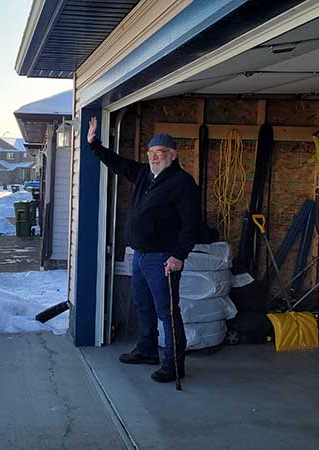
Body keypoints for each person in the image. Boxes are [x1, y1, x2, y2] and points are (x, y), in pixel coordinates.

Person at [86, 116, 200, 383]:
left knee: (167, 311)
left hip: (163, 258)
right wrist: (94, 144)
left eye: (159, 153)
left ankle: (173, 364)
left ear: (173, 155)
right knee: (142, 305)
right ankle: (147, 349)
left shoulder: (183, 183)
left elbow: (192, 224)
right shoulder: (145, 175)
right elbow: (118, 164)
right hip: (139, 256)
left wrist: (178, 255)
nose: (153, 157)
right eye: (150, 153)